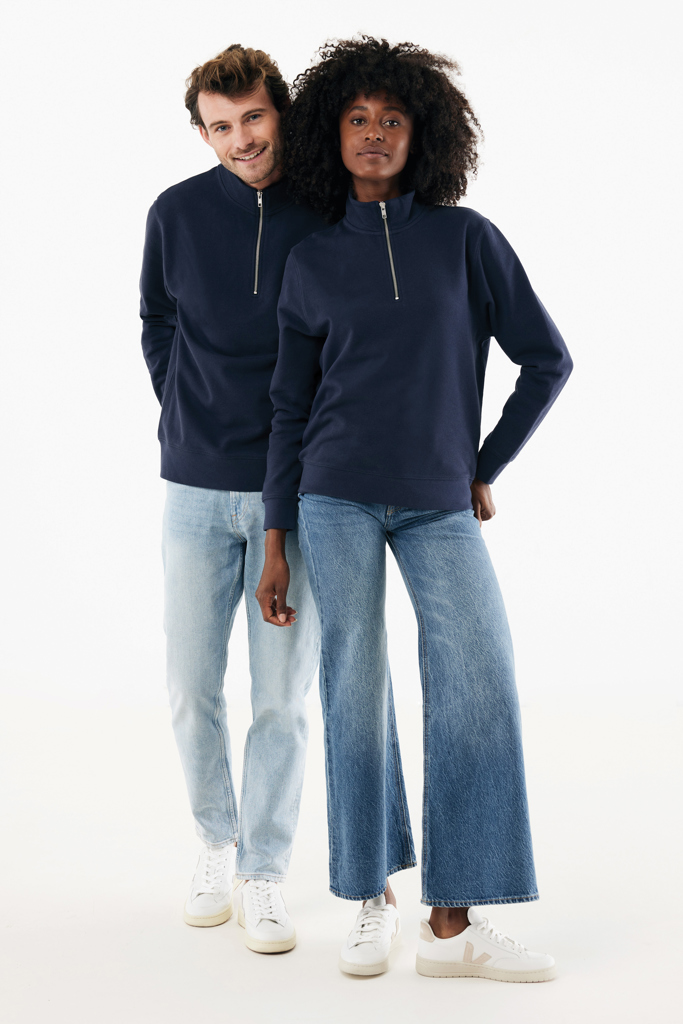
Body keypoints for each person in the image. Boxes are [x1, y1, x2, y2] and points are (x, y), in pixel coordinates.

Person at [256, 37, 573, 980]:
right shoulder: (312, 260)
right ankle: (369, 899)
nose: (373, 133)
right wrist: (275, 537)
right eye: (357, 118)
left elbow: (546, 359)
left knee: (479, 680)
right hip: (334, 496)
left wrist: (484, 464)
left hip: (438, 502)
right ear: (331, 134)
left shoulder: (466, 239)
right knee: (353, 691)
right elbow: (288, 408)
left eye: (392, 119)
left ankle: (453, 923)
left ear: (422, 133)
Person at [139, 44, 328, 952]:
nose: (241, 139)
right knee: (190, 686)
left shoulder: (325, 211)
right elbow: (156, 320)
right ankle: (216, 840)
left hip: (297, 493)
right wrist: (181, 404)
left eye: (253, 117)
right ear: (203, 134)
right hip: (193, 486)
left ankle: (264, 871)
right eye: (221, 126)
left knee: (282, 698)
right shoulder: (174, 213)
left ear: (278, 113)